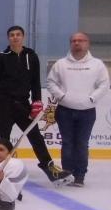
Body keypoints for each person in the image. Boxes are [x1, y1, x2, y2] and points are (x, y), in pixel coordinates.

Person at [0, 25, 73, 186]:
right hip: (4, 104)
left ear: (23, 37)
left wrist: (37, 101)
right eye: (12, 35)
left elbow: (35, 82)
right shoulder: (1, 57)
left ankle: (50, 169)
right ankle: (0, 171)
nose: (15, 37)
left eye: (18, 34)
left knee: (36, 137)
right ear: (8, 38)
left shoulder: (31, 56)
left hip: (23, 105)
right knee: (3, 141)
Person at [47, 32, 109, 187]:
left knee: (81, 143)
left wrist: (92, 98)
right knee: (67, 143)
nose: (77, 43)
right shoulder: (61, 64)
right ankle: (66, 173)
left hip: (87, 111)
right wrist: (61, 96)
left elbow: (104, 84)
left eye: (81, 40)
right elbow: (51, 82)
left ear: (87, 43)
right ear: (70, 44)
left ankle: (80, 176)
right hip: (65, 110)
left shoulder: (97, 64)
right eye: (74, 40)